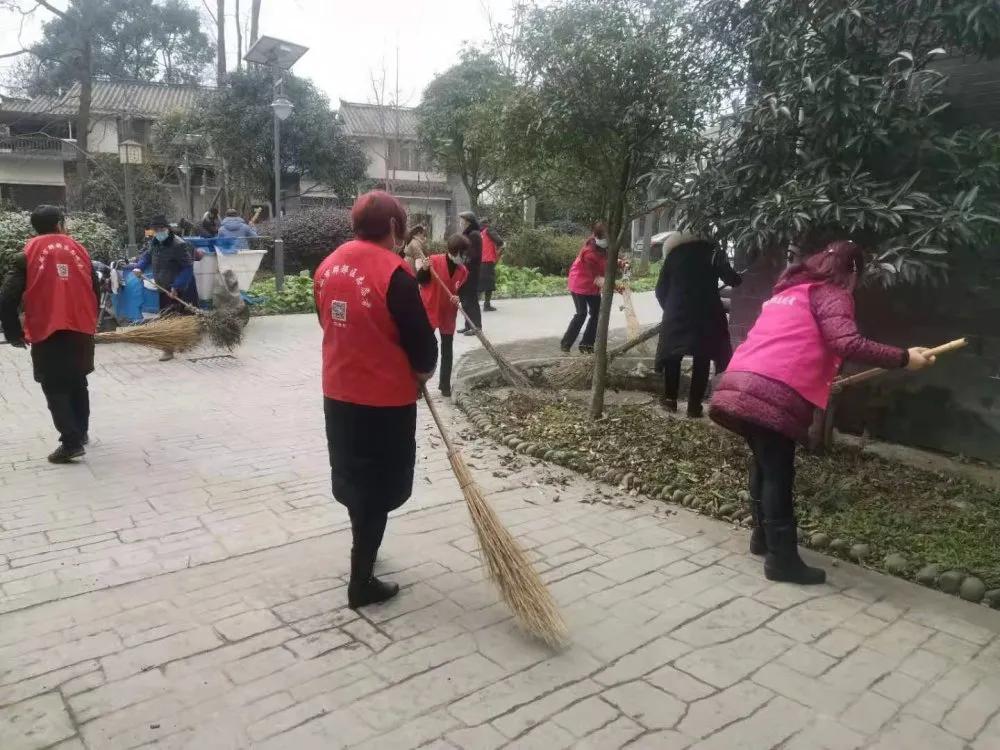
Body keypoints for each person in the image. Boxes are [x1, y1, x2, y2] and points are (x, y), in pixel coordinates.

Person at [710, 240, 936, 585]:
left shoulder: (789, 292)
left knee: (764, 463)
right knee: (778, 472)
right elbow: (846, 342)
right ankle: (782, 560)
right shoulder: (832, 293)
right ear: (853, 271)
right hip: (773, 390)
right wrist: (905, 358)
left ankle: (763, 540)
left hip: (739, 380)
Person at [314, 190, 438, 609]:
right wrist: (422, 372)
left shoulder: (327, 267)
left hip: (338, 393)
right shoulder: (395, 272)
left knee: (354, 479)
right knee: (379, 484)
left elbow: (324, 322)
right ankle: (361, 580)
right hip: (383, 401)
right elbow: (421, 342)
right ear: (392, 227)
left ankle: (363, 550)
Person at [0, 205, 100, 464]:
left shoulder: (27, 254)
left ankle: (71, 442)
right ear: (59, 223)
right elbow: (95, 289)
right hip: (80, 327)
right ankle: (81, 431)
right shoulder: (80, 250)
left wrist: (13, 333)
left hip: (47, 329)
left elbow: (6, 297)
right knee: (78, 380)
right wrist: (91, 320)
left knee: (54, 385)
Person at [654, 234, 743, 418]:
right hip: (706, 312)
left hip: (677, 311)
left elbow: (660, 289)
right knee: (702, 356)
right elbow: (732, 279)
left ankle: (670, 400)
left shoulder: (674, 253)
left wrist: (669, 307)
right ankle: (694, 407)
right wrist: (739, 276)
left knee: (673, 355)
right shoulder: (713, 252)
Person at [133, 215, 197, 361]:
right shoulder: (155, 242)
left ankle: (169, 348)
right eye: (155, 230)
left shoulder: (178, 245)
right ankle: (176, 344)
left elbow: (187, 267)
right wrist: (139, 267)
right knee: (169, 316)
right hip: (163, 287)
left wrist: (176, 286)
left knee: (173, 317)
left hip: (179, 288)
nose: (158, 232)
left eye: (160, 229)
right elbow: (147, 257)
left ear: (167, 228)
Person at [416, 234, 469, 398]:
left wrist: (459, 298)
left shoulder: (463, 271)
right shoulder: (434, 261)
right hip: (430, 308)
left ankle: (445, 385)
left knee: (447, 349)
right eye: (463, 253)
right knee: (424, 348)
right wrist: (424, 269)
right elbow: (421, 280)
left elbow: (463, 292)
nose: (464, 257)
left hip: (448, 313)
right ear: (454, 251)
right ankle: (418, 385)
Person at [561, 222, 609, 354]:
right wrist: (614, 286)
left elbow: (608, 259)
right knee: (581, 314)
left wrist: (621, 263)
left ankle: (587, 344)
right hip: (579, 285)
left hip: (592, 287)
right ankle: (565, 344)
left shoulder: (602, 248)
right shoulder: (589, 253)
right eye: (606, 236)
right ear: (599, 237)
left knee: (596, 314)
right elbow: (598, 278)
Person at [456, 211, 482, 336]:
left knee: (471, 299)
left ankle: (476, 326)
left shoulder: (474, 235)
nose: (461, 223)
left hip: (471, 271)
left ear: (468, 222)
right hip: (465, 270)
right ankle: (468, 325)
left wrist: (464, 260)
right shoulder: (468, 234)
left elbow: (473, 254)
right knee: (465, 299)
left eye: (462, 220)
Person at [479, 218, 503, 312]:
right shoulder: (488, 230)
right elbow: (499, 241)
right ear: (487, 224)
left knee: (480, 284)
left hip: (480, 261)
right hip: (488, 261)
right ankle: (487, 305)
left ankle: (471, 303)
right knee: (489, 283)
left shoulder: (480, 234)